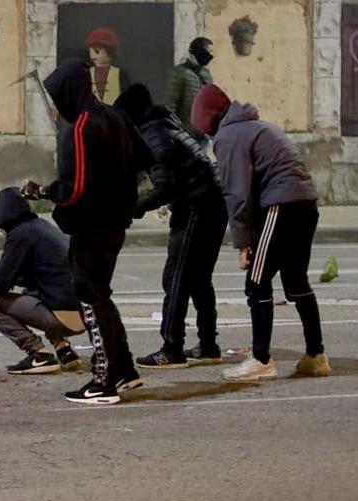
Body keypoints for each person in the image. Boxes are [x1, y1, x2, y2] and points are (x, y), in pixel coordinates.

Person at [25, 61, 152, 406]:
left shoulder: (82, 126)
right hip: (116, 220)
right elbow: (145, 157)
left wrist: (51, 196)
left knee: (89, 298)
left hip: (93, 223)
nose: (55, 103)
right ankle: (124, 369)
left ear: (68, 92)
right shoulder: (116, 116)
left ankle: (104, 380)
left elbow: (77, 186)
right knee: (101, 295)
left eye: (56, 95)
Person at [193, 84, 329, 382]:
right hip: (305, 203)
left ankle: (260, 359)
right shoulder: (256, 126)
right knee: (296, 282)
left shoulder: (228, 137)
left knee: (256, 282)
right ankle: (316, 356)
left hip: (281, 205)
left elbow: (238, 194)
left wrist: (243, 244)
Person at [114, 83, 227, 369]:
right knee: (199, 277)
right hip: (211, 202)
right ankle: (208, 345)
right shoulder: (166, 125)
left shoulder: (155, 136)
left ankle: (171, 347)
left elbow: (165, 185)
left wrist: (135, 207)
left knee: (176, 277)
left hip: (196, 206)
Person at [0, 186, 85, 374]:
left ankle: (39, 355)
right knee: (32, 291)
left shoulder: (20, 235)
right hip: (84, 313)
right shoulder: (42, 226)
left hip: (62, 316)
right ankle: (64, 349)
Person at [165, 37, 214, 135]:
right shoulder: (179, 72)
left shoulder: (207, 74)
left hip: (203, 132)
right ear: (199, 52)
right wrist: (175, 131)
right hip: (185, 131)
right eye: (209, 52)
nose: (211, 56)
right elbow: (171, 105)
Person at [85, 27, 131, 103]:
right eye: (90, 51)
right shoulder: (86, 74)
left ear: (109, 51)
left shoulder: (120, 75)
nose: (92, 55)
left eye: (97, 51)